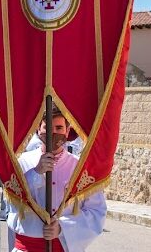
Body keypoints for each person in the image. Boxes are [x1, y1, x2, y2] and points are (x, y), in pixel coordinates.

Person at [7, 108, 107, 252]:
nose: (52, 133)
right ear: (38, 130)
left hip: (64, 246)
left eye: (59, 127)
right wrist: (36, 173)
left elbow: (96, 211)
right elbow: (11, 203)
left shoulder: (81, 168)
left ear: (67, 131)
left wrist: (62, 227)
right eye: (46, 127)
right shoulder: (22, 162)